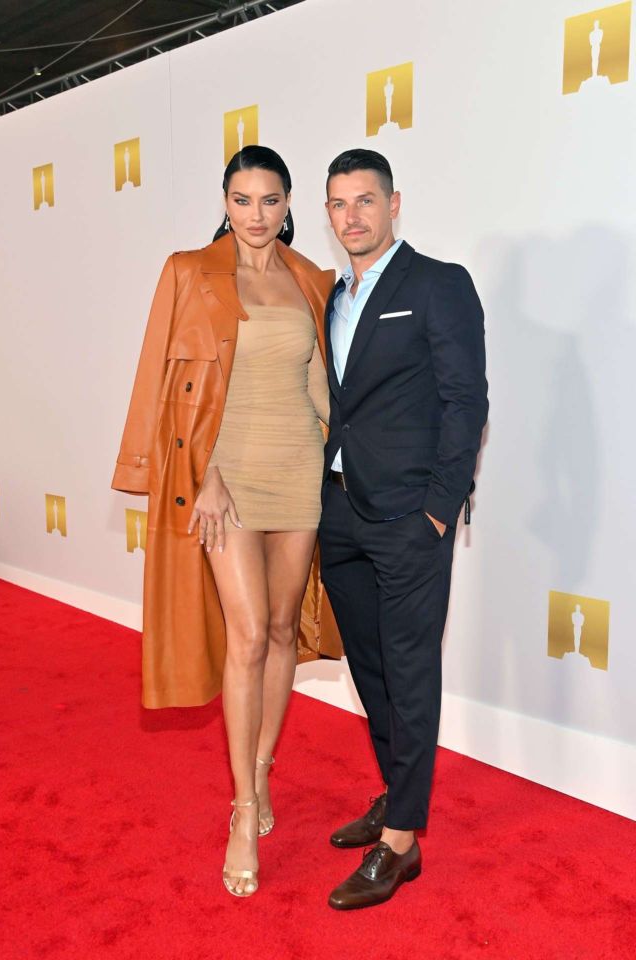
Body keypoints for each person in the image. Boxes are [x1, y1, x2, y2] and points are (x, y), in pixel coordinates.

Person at [111, 146, 342, 898]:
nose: (255, 215)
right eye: (242, 200)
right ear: (224, 201)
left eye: (269, 200)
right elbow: (160, 381)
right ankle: (243, 808)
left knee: (279, 630)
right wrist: (199, 474)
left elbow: (321, 387)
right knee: (244, 635)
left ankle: (264, 769)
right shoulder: (189, 272)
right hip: (226, 480)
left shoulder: (311, 280)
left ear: (288, 204)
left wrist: (367, 458)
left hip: (297, 470)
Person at [318, 148, 489, 910]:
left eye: (365, 200)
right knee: (371, 667)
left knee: (411, 669)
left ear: (394, 204)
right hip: (340, 511)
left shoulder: (438, 284)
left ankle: (400, 843)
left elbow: (466, 401)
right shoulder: (334, 295)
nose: (351, 216)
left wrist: (439, 508)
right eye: (338, 203)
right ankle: (397, 792)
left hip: (409, 518)